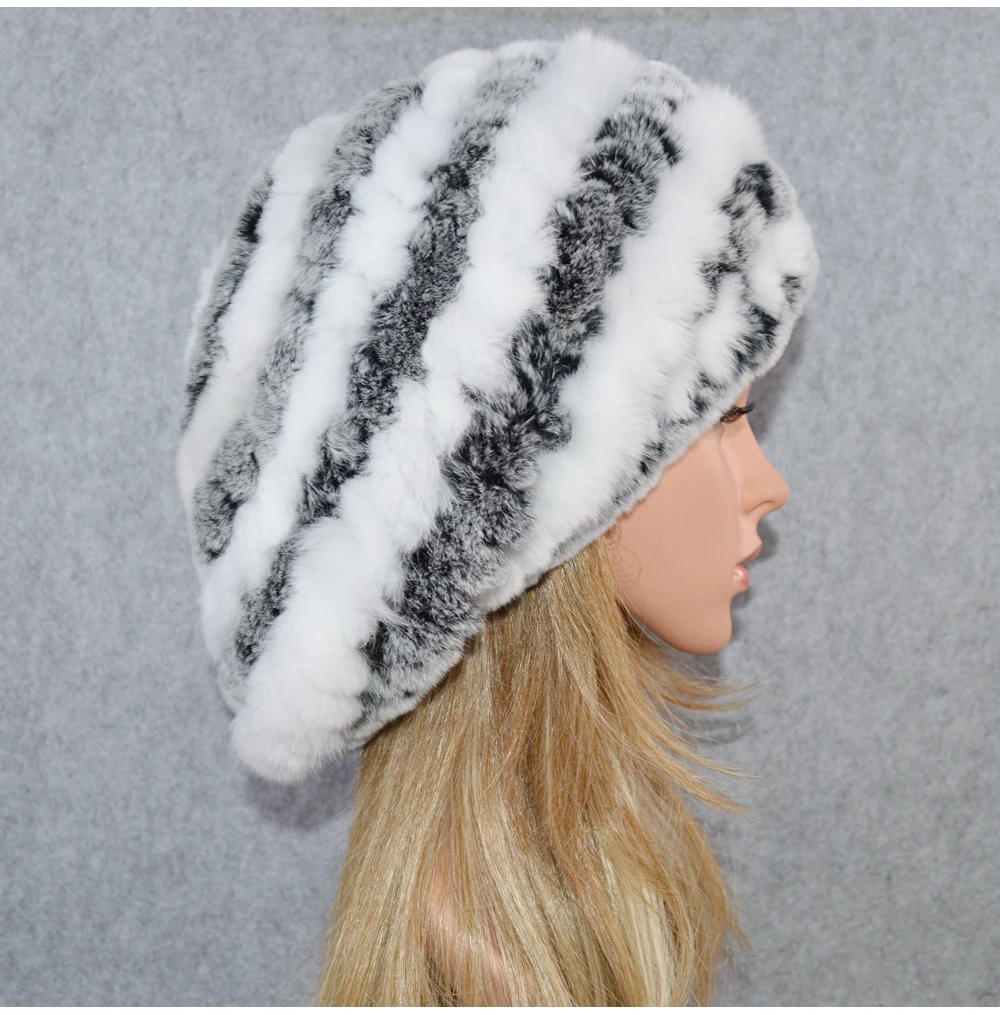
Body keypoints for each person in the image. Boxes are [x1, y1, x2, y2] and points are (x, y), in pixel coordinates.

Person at [174, 28, 819, 1005]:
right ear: (530, 506)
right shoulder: (501, 966)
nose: (767, 484)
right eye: (723, 423)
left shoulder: (573, 883)